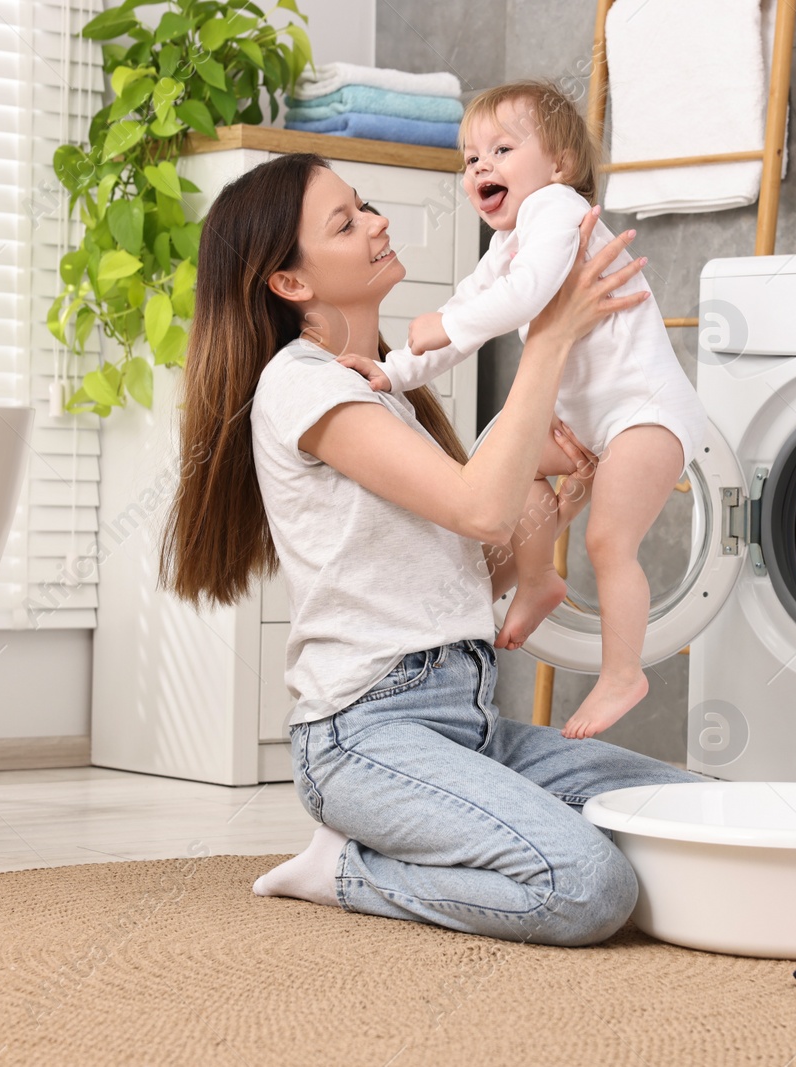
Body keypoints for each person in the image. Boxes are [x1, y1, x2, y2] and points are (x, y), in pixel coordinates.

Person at [159, 152, 708, 947]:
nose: (378, 223)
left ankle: (454, 829)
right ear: (290, 283)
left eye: (367, 206)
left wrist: (555, 506)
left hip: (469, 718)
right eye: (346, 222)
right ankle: (345, 868)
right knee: (589, 885)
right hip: (364, 736)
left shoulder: (387, 393)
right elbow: (481, 511)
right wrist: (551, 335)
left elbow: (470, 563)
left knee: (691, 812)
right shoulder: (302, 383)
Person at [342, 80, 707, 739]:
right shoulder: (505, 247)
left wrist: (443, 323)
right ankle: (539, 580)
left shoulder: (558, 211)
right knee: (498, 470)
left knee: (607, 539)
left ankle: (623, 672)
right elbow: (471, 323)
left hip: (645, 413)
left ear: (560, 165)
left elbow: (519, 300)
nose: (480, 166)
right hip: (587, 424)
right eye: (469, 158)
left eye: (501, 149)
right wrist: (392, 372)